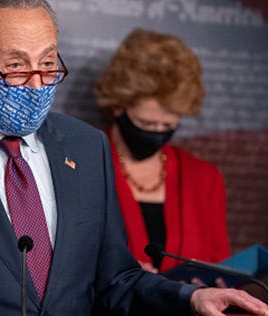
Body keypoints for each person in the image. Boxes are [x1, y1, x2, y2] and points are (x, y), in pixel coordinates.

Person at [0, 1, 268, 316]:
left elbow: (115, 281)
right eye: (16, 67)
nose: (36, 84)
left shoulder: (86, 147)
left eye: (47, 64)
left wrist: (190, 300)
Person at [94, 29, 230, 285]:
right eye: (146, 123)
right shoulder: (82, 165)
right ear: (118, 105)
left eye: (167, 126)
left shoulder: (204, 178)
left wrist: (211, 287)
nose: (157, 134)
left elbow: (218, 265)